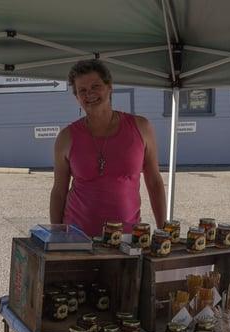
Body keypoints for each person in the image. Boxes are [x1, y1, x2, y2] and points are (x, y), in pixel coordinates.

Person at [50, 59, 166, 237]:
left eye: (95, 86)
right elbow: (59, 192)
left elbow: (154, 182)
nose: (89, 94)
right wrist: (56, 236)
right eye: (82, 90)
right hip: (77, 239)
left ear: (109, 87)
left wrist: (162, 229)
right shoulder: (66, 137)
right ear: (77, 98)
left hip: (127, 240)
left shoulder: (141, 127)